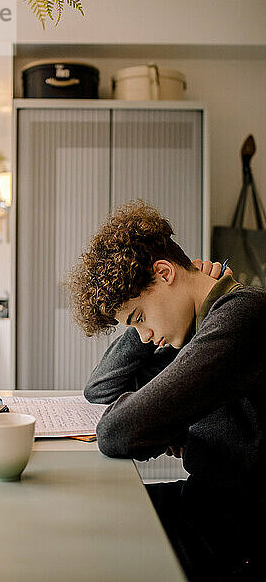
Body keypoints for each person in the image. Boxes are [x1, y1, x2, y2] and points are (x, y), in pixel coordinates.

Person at [66, 200, 266, 581]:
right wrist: (149, 330)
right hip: (209, 508)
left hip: (237, 533)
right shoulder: (197, 331)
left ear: (163, 272)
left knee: (87, 542)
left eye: (138, 318)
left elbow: (117, 432)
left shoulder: (242, 316)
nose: (144, 335)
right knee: (84, 513)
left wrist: (163, 423)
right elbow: (102, 388)